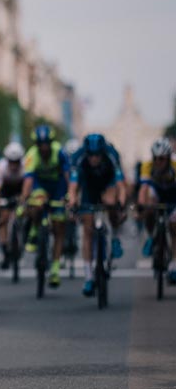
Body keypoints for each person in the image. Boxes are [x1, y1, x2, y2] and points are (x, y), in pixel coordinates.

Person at [67, 133, 126, 296]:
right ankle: (88, 276)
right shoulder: (78, 158)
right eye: (91, 155)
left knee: (111, 202)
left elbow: (121, 184)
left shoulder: (112, 155)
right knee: (87, 229)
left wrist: (120, 203)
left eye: (97, 155)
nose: (94, 159)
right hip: (89, 188)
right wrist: (72, 204)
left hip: (108, 183)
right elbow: (73, 187)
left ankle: (115, 237)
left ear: (102, 152)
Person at [18, 125, 70, 288]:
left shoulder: (60, 152)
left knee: (59, 225)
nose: (44, 148)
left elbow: (68, 177)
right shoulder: (32, 155)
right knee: (36, 202)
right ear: (37, 145)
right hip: (40, 184)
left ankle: (55, 268)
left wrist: (69, 197)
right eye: (41, 145)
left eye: (47, 144)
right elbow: (28, 181)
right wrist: (23, 200)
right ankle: (34, 230)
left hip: (58, 185)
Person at [137, 138, 176, 282]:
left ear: (168, 158)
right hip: (157, 192)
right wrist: (142, 205)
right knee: (148, 205)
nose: (158, 162)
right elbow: (143, 189)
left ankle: (174, 265)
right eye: (156, 158)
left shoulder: (175, 165)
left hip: (173, 194)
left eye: (162, 159)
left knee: (174, 227)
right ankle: (152, 235)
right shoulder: (147, 165)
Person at [0, 142, 26, 269]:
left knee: (25, 213)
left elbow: (28, 185)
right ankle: (4, 248)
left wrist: (24, 199)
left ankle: (24, 236)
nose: (13, 165)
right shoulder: (1, 167)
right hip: (6, 191)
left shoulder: (25, 166)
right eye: (11, 162)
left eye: (16, 162)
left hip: (21, 190)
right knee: (3, 219)